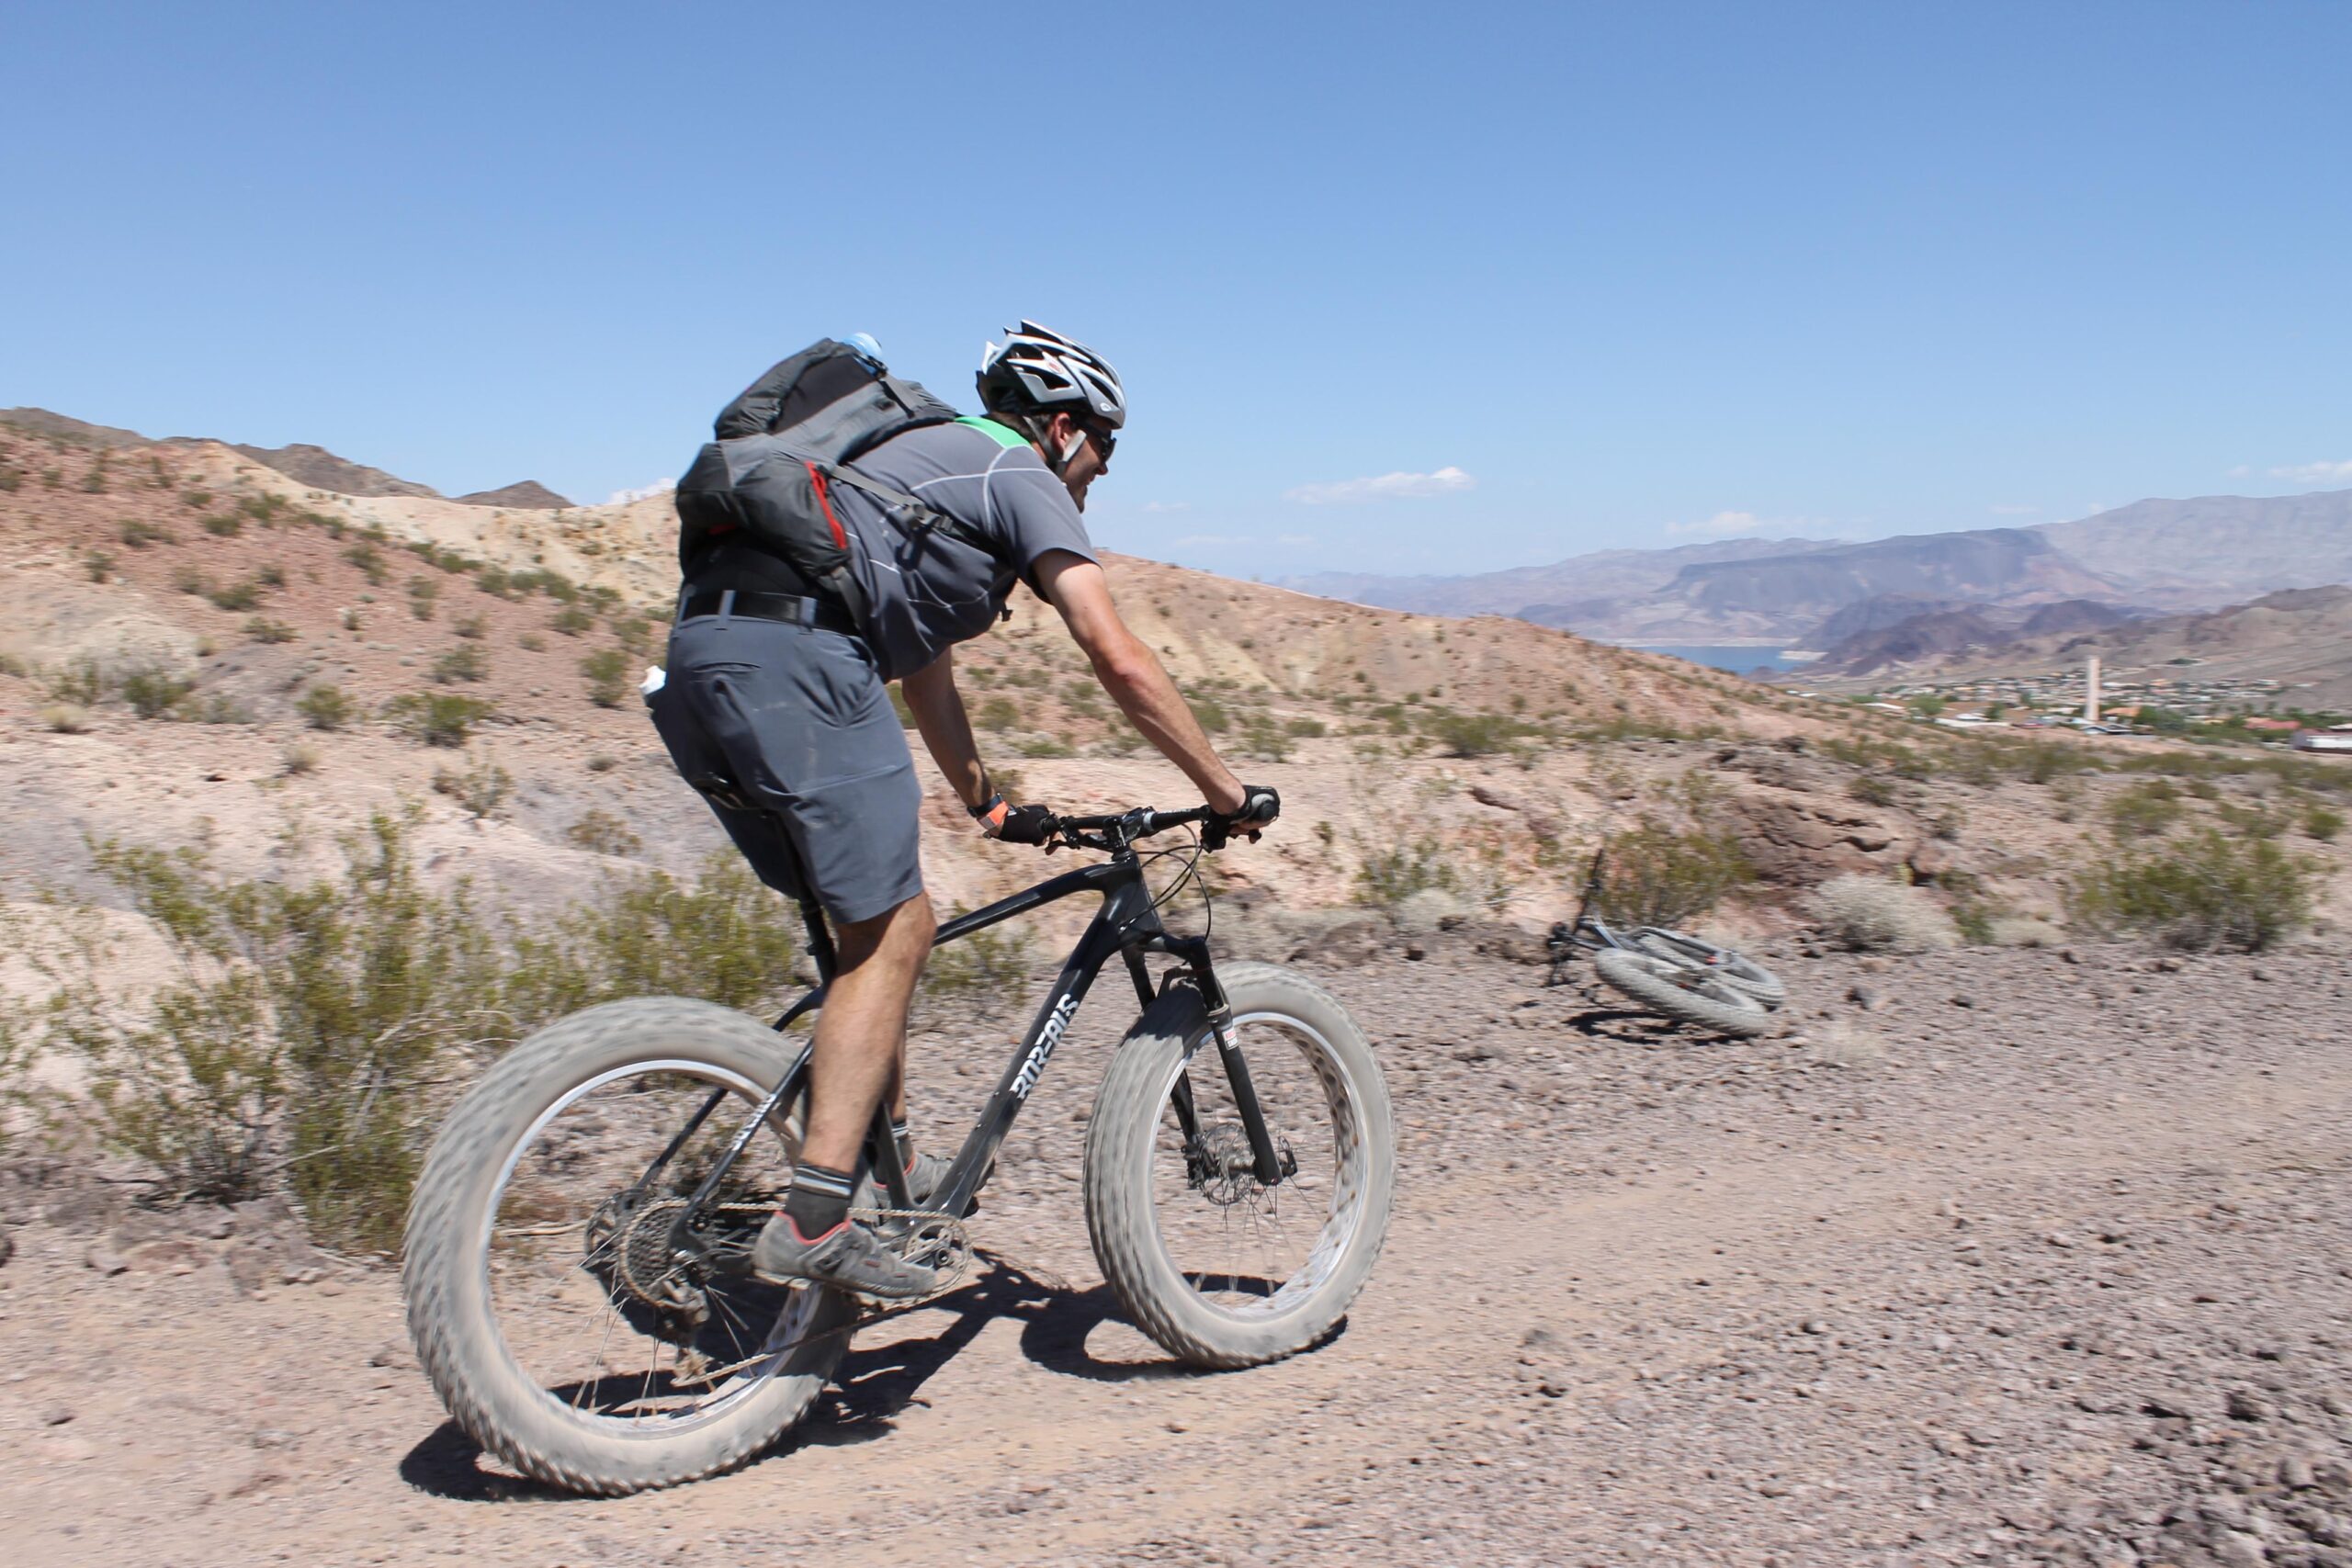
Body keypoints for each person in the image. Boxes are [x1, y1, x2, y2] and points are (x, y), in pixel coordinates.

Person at [650, 321, 1279, 1299]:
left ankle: (878, 1185)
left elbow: (924, 671)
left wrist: (988, 806)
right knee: (901, 928)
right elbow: (1113, 652)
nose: (1086, 488)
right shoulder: (1013, 468)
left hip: (702, 656)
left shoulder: (895, 473)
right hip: (803, 659)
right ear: (1064, 429)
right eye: (1097, 467)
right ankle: (815, 1218)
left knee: (866, 939)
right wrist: (1222, 790)